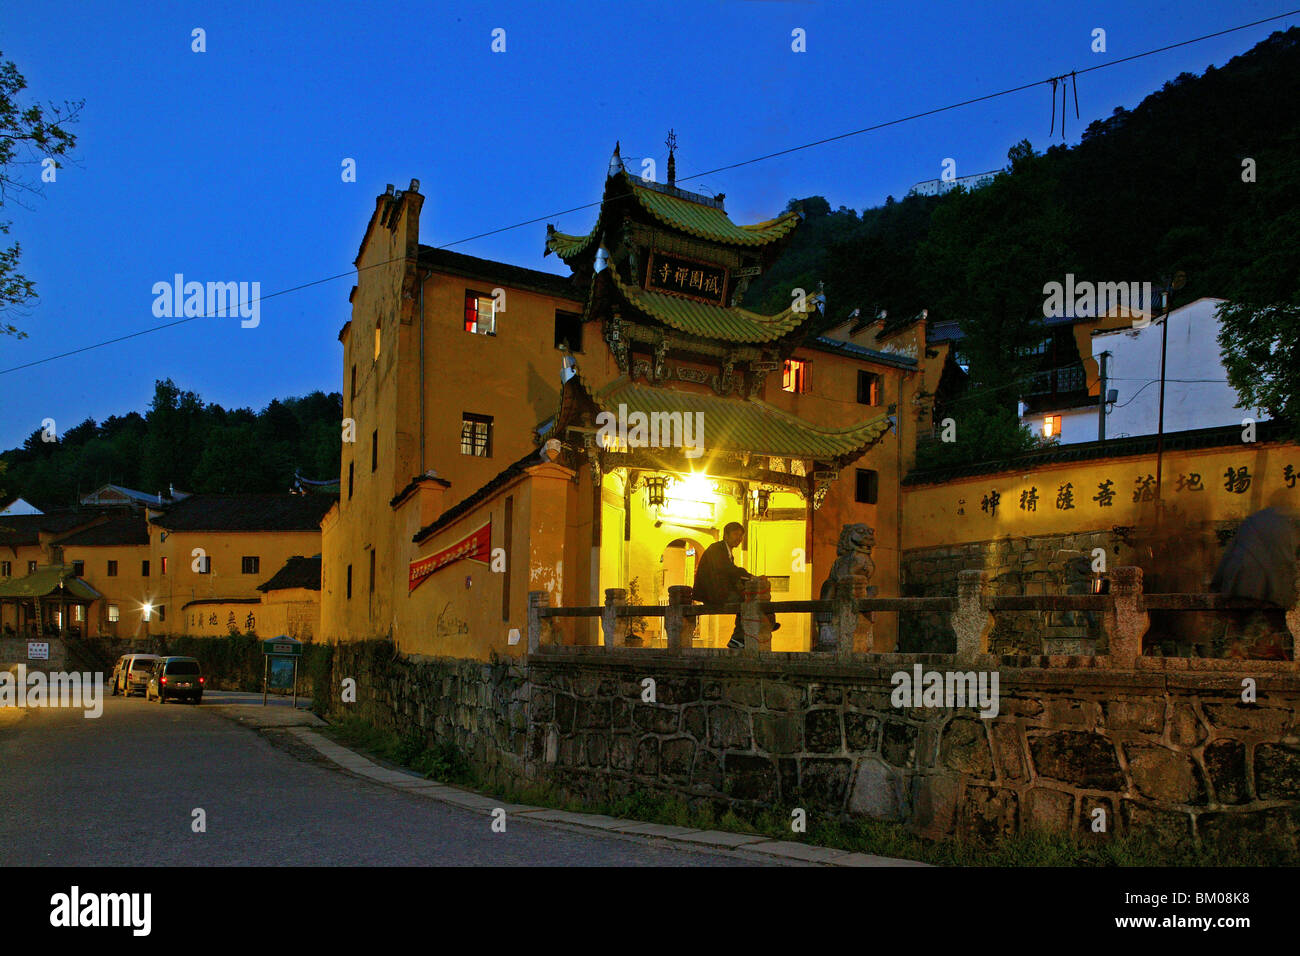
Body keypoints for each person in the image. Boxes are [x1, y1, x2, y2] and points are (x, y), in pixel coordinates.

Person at [692, 522, 779, 649]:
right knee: (748, 600)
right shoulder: (717, 549)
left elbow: (730, 572)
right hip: (713, 593)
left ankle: (766, 621)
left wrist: (746, 580)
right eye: (736, 534)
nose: (739, 538)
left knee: (748, 597)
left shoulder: (725, 551)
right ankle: (738, 637)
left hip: (719, 590)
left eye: (741, 535)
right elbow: (728, 570)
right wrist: (750, 577)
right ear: (726, 535)